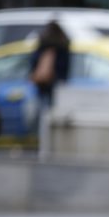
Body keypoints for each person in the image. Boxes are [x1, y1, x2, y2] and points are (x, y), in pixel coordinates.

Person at [28, 20, 70, 158]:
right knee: (51, 114)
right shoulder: (63, 44)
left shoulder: (43, 43)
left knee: (41, 114)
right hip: (56, 85)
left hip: (42, 85)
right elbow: (65, 68)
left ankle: (40, 142)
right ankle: (49, 142)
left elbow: (33, 63)